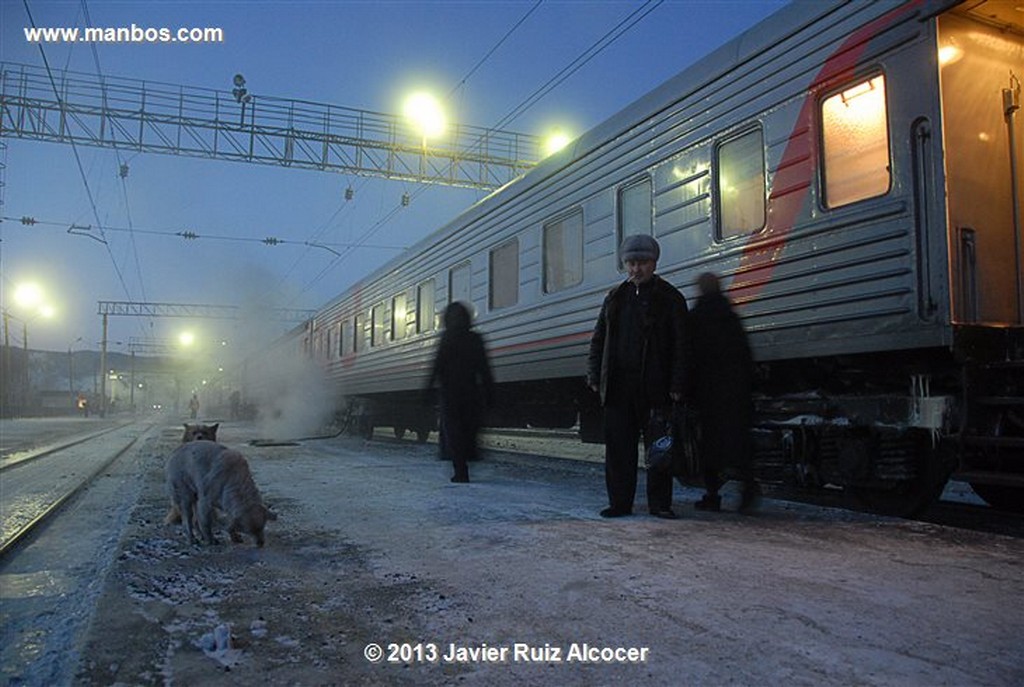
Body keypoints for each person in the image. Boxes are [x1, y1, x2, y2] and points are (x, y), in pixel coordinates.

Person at [587, 234, 689, 519]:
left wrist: (677, 384)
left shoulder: (670, 299)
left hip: (656, 389)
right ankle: (620, 502)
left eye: (642, 263)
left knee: (659, 450)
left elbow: (682, 345)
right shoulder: (615, 298)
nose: (636, 269)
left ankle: (660, 504)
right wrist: (595, 375)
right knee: (619, 451)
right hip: (619, 388)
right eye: (631, 263)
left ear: (654, 263)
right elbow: (599, 339)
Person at [689, 272, 760, 513]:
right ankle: (748, 490)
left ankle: (712, 495)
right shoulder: (730, 317)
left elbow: (690, 358)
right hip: (734, 393)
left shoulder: (696, 317)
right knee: (739, 445)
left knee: (709, 447)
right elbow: (745, 355)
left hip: (707, 394)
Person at [425, 301, 495, 483]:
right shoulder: (475, 338)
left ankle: (460, 470)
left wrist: (427, 389)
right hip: (471, 392)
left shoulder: (447, 338)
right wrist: (490, 392)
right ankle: (469, 458)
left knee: (454, 431)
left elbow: (437, 366)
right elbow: (485, 369)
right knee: (469, 429)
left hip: (450, 393)